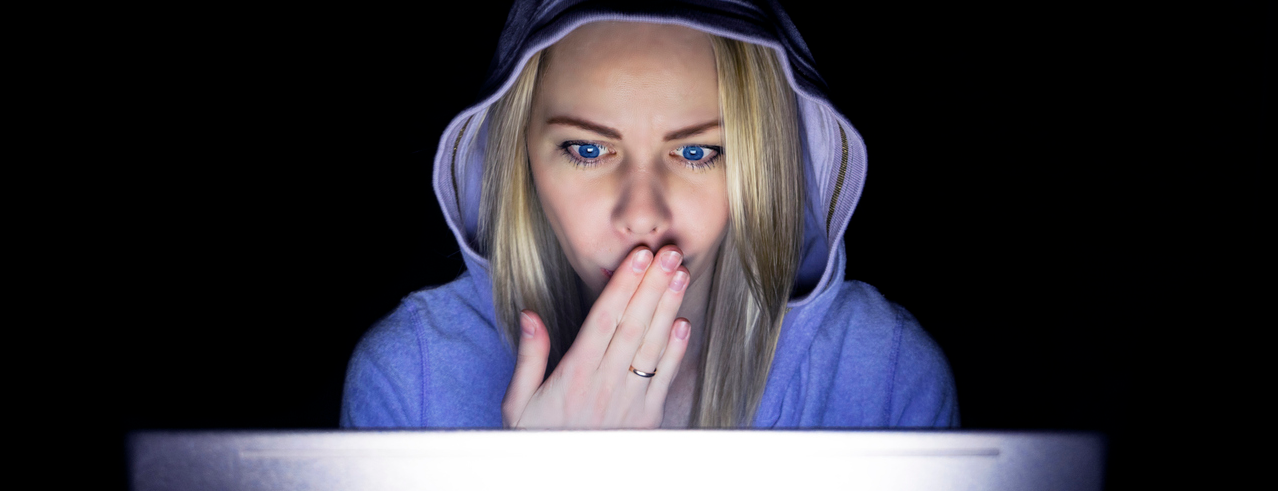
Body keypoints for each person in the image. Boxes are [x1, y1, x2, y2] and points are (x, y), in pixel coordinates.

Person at [341, 0, 958, 429]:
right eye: (587, 150)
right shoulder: (411, 378)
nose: (641, 215)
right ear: (519, 156)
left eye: (697, 152)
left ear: (763, 162)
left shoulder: (884, 375)